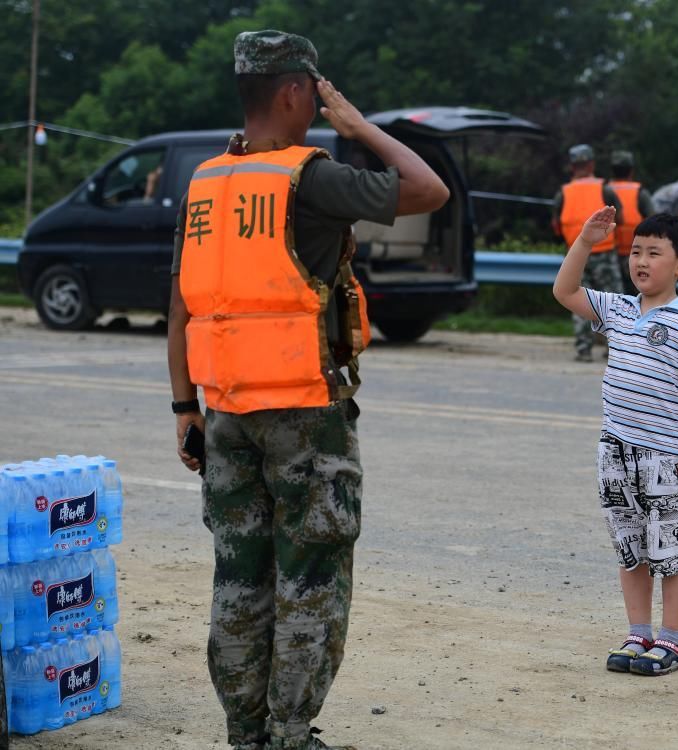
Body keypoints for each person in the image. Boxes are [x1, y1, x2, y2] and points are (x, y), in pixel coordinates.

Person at [166, 30, 449, 750]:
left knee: (239, 579)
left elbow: (183, 306)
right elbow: (428, 190)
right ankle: (290, 736)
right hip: (303, 411)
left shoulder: (204, 183)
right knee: (310, 577)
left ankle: (245, 734)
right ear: (295, 92)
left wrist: (183, 408)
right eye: (316, 95)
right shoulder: (310, 178)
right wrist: (360, 128)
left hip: (224, 410)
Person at [552, 208, 678, 677]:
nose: (641, 261)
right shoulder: (618, 309)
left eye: (654, 253)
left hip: (665, 456)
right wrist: (585, 240)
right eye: (635, 252)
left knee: (672, 550)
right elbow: (564, 291)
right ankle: (638, 632)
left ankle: (673, 641)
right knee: (631, 547)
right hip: (615, 452)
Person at [552, 144, 624, 362]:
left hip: (577, 255)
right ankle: (616, 349)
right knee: (615, 302)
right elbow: (619, 219)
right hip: (605, 253)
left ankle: (584, 350)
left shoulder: (563, 192)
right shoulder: (605, 189)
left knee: (578, 300)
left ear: (572, 167)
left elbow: (556, 224)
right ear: (592, 164)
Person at [607, 150, 656, 295]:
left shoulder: (603, 190)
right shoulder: (640, 192)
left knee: (614, 298)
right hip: (636, 252)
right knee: (638, 296)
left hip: (609, 253)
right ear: (632, 171)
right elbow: (653, 221)